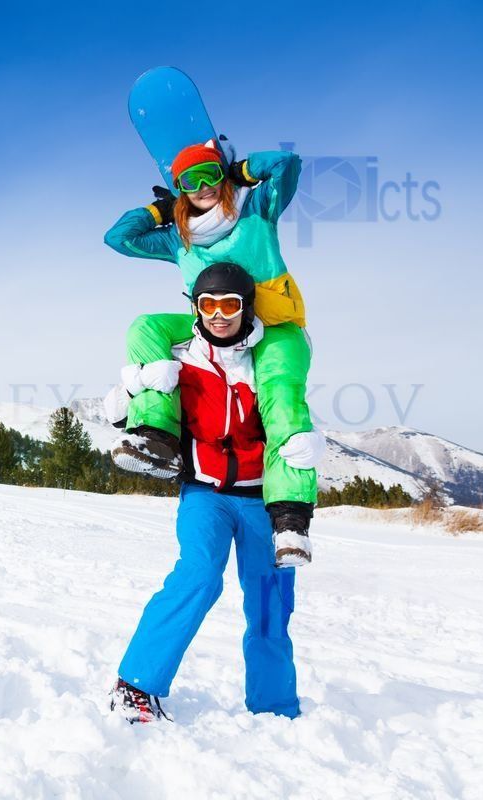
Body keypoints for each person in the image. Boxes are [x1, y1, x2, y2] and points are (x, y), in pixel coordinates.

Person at [105, 262, 322, 723]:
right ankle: (136, 686)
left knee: (269, 599)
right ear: (195, 309)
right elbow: (135, 409)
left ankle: (275, 708)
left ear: (247, 308)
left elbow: (288, 417)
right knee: (198, 577)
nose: (218, 314)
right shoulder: (181, 358)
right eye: (208, 304)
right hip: (204, 495)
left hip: (261, 499)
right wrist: (130, 396)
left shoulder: (266, 363)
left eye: (230, 304)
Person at [103, 140, 320, 566]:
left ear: (223, 178)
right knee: (145, 326)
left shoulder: (255, 211)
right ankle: (157, 436)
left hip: (273, 326)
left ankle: (290, 519)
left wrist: (240, 172)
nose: (202, 187)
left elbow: (286, 164)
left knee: (281, 399)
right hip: (212, 319)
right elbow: (118, 238)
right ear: (179, 188)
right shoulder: (179, 239)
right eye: (190, 180)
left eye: (210, 175)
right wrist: (159, 212)